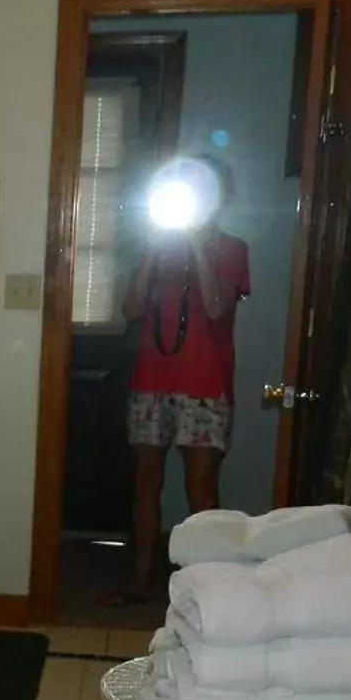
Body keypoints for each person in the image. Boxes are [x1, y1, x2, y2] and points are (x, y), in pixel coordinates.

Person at [108, 155, 250, 603]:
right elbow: (130, 310)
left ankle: (211, 589)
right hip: (151, 379)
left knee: (201, 486)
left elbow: (213, 307)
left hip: (204, 383)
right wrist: (153, 250)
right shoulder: (153, 247)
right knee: (145, 480)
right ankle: (139, 577)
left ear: (219, 197)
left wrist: (195, 247)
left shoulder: (231, 249)